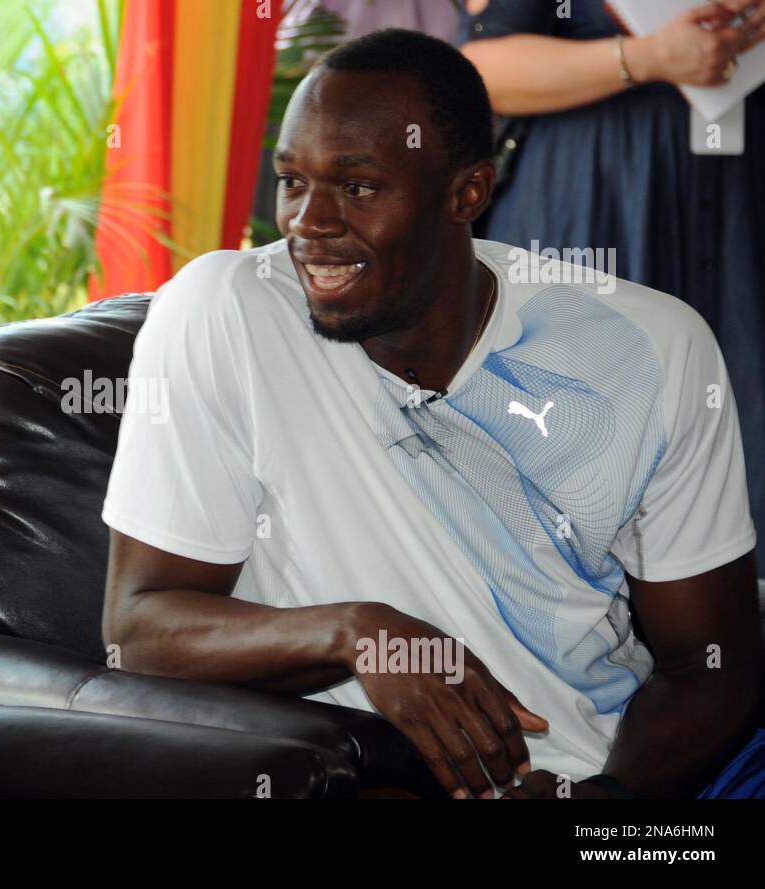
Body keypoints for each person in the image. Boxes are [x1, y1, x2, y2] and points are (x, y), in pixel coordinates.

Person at [102, 28, 764, 799]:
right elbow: (137, 627)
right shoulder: (225, 313)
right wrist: (360, 634)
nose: (307, 224)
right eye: (292, 180)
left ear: (468, 193)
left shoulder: (649, 348)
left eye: (356, 187)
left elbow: (711, 667)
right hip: (366, 775)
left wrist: (602, 805)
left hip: (616, 783)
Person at [459, 0, 765, 574]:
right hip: (598, 192)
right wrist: (647, 57)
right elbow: (484, 70)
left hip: (739, 196)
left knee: (744, 407)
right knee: (589, 421)